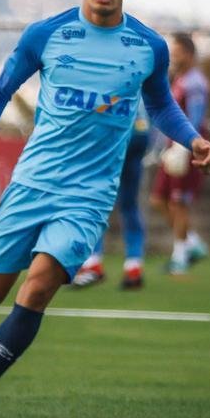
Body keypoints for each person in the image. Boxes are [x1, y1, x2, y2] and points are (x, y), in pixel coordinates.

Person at [0, 0, 210, 418]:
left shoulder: (148, 46)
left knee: (42, 284)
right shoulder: (45, 34)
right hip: (32, 184)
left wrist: (191, 139)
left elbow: (160, 107)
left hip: (88, 196)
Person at [149, 33, 210, 274]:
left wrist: (187, 146)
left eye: (177, 52)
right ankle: (192, 243)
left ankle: (180, 257)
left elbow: (195, 117)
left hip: (185, 147)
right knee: (158, 199)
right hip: (172, 146)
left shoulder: (195, 83)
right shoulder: (179, 80)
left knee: (179, 202)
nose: (173, 56)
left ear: (188, 53)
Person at [72, 101, 150, 290]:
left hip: (115, 130)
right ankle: (134, 266)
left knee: (95, 200)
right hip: (140, 131)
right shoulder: (139, 71)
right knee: (129, 204)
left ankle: (93, 263)